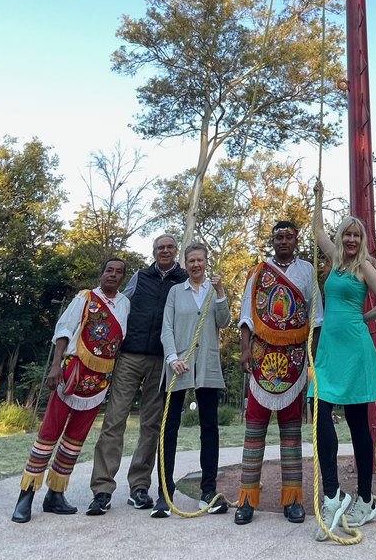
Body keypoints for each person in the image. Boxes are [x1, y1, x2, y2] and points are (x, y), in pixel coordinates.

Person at [312, 179, 376, 537]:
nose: (351, 240)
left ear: (361, 240)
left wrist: (362, 319)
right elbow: (318, 229)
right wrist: (319, 197)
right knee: (320, 413)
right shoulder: (334, 261)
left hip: (354, 345)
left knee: (357, 423)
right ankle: (333, 494)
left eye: (356, 235)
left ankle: (365, 500)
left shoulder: (364, 266)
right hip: (329, 350)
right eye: (347, 235)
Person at [12, 258, 130, 522]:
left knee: (75, 439)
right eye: (108, 270)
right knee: (49, 433)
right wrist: (56, 365)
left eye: (118, 272)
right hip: (73, 373)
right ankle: (26, 495)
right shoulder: (85, 298)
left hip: (99, 381)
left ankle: (55, 493)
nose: (112, 275)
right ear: (101, 273)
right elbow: (64, 329)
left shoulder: (125, 304)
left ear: (123, 277)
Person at [88, 233, 188, 515]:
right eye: (160, 248)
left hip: (162, 359)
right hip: (130, 355)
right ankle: (102, 489)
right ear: (154, 251)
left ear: (176, 250)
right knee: (114, 420)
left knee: (151, 425)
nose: (165, 251)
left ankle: (139, 487)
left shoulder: (182, 280)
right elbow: (120, 304)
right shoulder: (140, 277)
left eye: (169, 247)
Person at [234, 220, 323, 525]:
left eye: (289, 236)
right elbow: (247, 314)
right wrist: (245, 349)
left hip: (295, 357)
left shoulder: (307, 270)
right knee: (254, 429)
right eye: (279, 237)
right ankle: (246, 499)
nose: (283, 241)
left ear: (296, 239)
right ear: (272, 240)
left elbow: (316, 316)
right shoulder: (259, 272)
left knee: (291, 431)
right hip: (261, 358)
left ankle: (293, 498)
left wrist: (313, 357)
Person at [154, 242, 231, 517]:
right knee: (169, 428)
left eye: (200, 260)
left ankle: (208, 491)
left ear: (206, 262)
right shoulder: (176, 292)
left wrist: (221, 293)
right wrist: (172, 357)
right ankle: (164, 493)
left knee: (209, 428)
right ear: (185, 264)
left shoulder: (214, 291)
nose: (196, 265)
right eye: (191, 261)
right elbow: (166, 327)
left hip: (206, 366)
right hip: (178, 366)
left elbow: (224, 322)